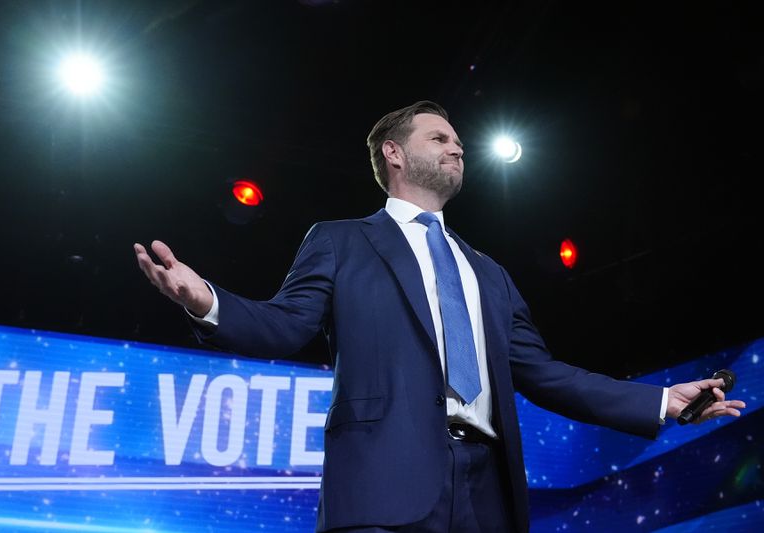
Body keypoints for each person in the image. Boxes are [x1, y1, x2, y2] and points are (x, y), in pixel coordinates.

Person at [134, 101, 745, 533]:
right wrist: (204, 299)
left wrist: (661, 400)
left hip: (488, 495)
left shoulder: (490, 273)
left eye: (458, 142)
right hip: (382, 487)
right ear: (393, 153)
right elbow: (284, 326)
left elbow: (544, 373)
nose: (457, 147)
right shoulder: (342, 241)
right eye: (439, 138)